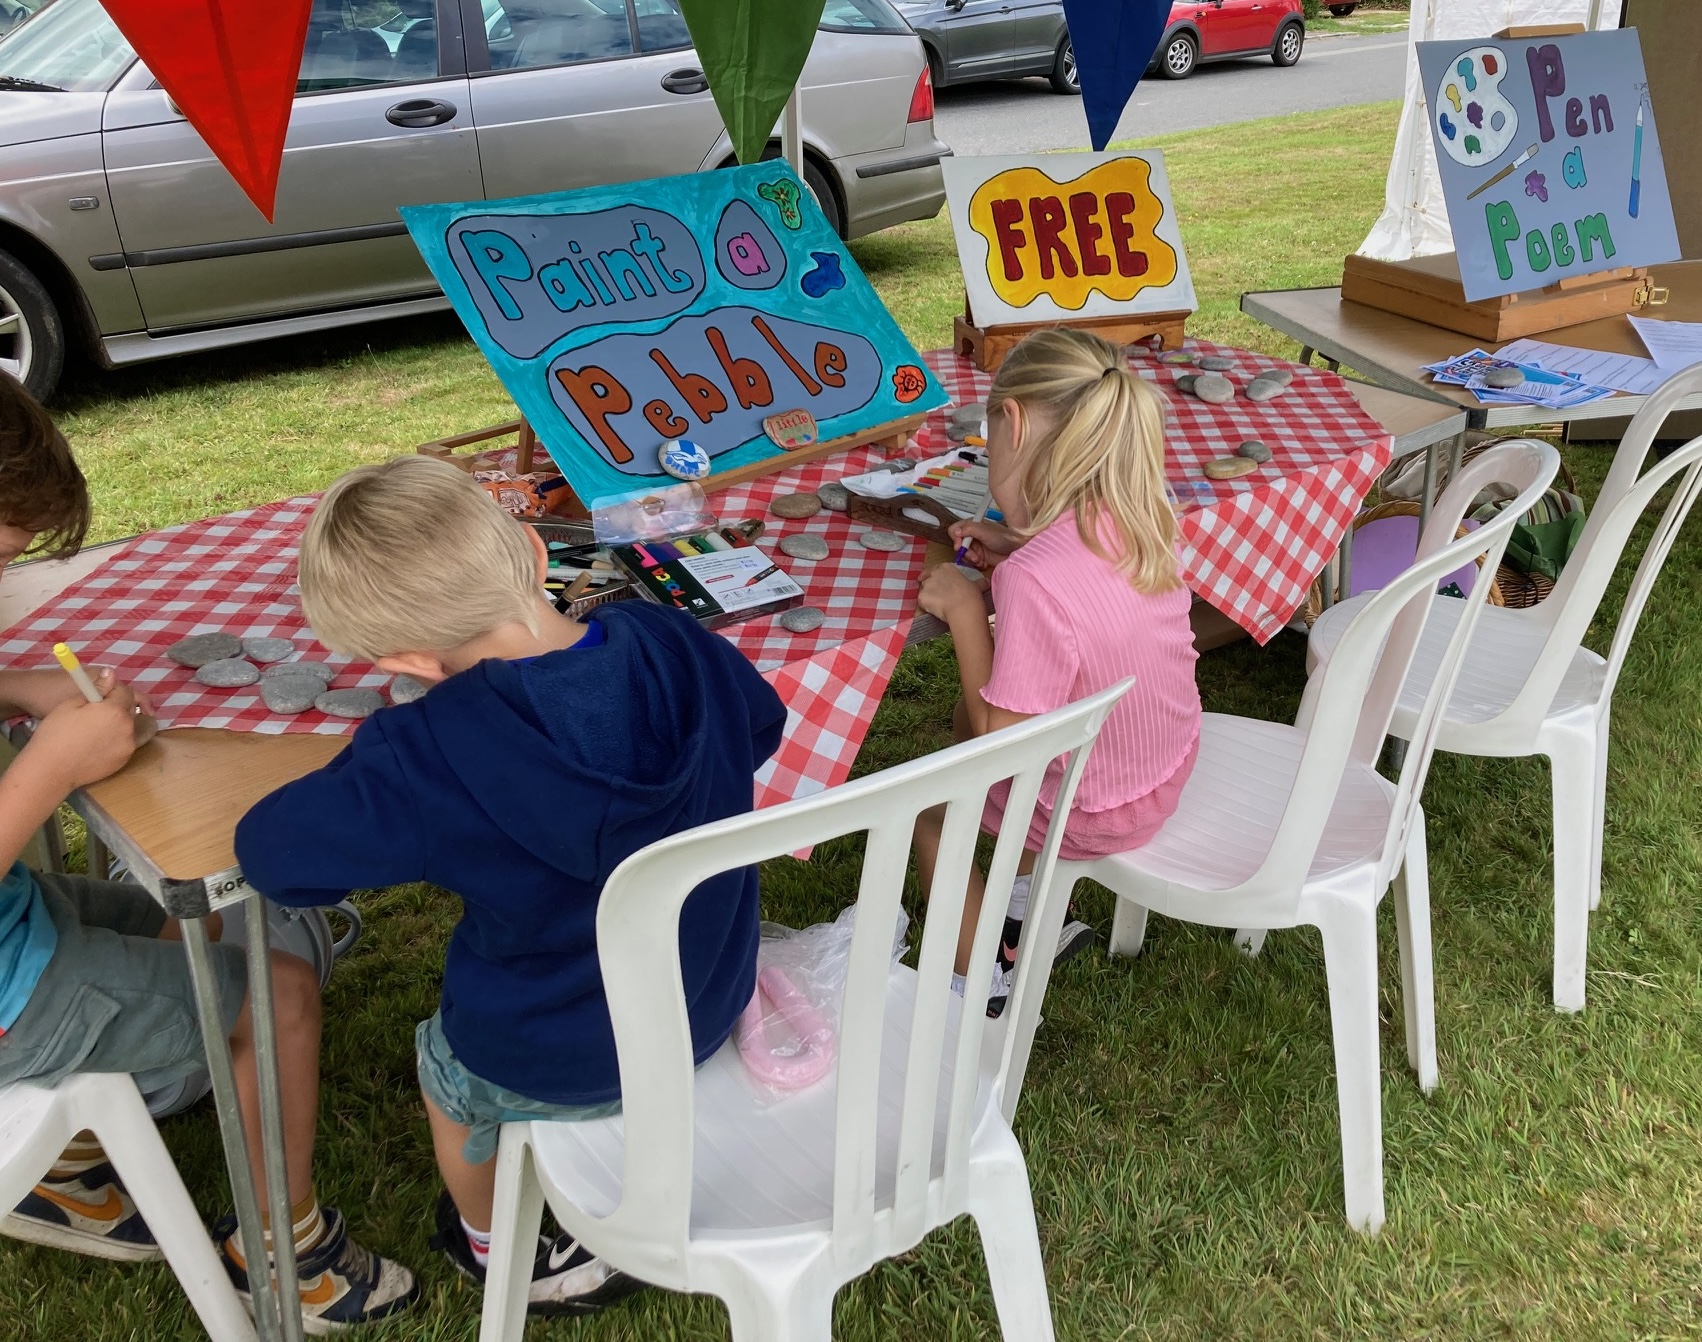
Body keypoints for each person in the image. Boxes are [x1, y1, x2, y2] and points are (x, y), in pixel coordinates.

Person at [235, 456, 786, 1317]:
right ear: (534, 552)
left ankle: (509, 1244)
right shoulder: (674, 640)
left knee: (444, 1070)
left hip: (552, 1054)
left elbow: (271, 855)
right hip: (707, 994)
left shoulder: (420, 755)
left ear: (406, 658)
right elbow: (760, 726)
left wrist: (382, 751)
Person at [0, 372, 420, 1331]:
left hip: (14, 936)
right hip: (7, 1000)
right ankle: (291, 1255)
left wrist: (24, 692)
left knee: (179, 918)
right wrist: (56, 766)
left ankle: (64, 1166)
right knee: (280, 1001)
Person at [913, 329, 1202, 1015]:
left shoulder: (1033, 582)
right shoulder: (1135, 511)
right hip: (1163, 763)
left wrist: (961, 607)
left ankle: (979, 987)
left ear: (1010, 423)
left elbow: (999, 736)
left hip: (1096, 807)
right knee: (960, 718)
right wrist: (1016, 548)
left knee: (929, 820)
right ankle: (1020, 902)